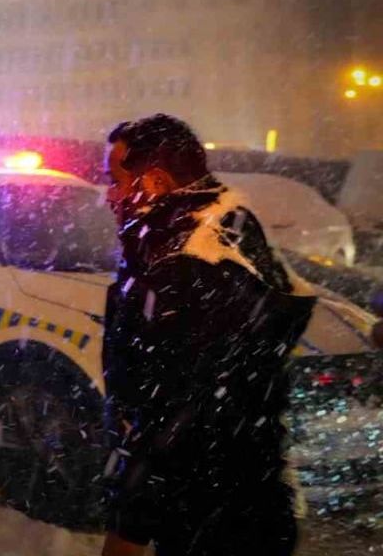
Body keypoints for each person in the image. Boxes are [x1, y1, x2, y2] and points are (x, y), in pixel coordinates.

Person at [100, 114, 316, 556]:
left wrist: (131, 520)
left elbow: (184, 415)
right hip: (234, 505)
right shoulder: (213, 228)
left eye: (117, 180)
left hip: (212, 518)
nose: (110, 195)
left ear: (156, 183)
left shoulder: (191, 265)